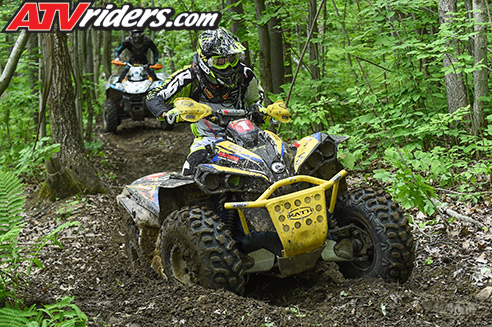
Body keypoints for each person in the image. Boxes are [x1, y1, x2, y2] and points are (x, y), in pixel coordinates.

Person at [146, 27, 266, 175]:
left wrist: (259, 110)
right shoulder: (189, 76)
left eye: (231, 59)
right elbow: (153, 96)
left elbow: (256, 99)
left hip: (246, 134)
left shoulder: (245, 74)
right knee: (191, 170)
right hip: (209, 140)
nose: (228, 65)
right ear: (205, 61)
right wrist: (167, 114)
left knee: (279, 154)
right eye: (220, 61)